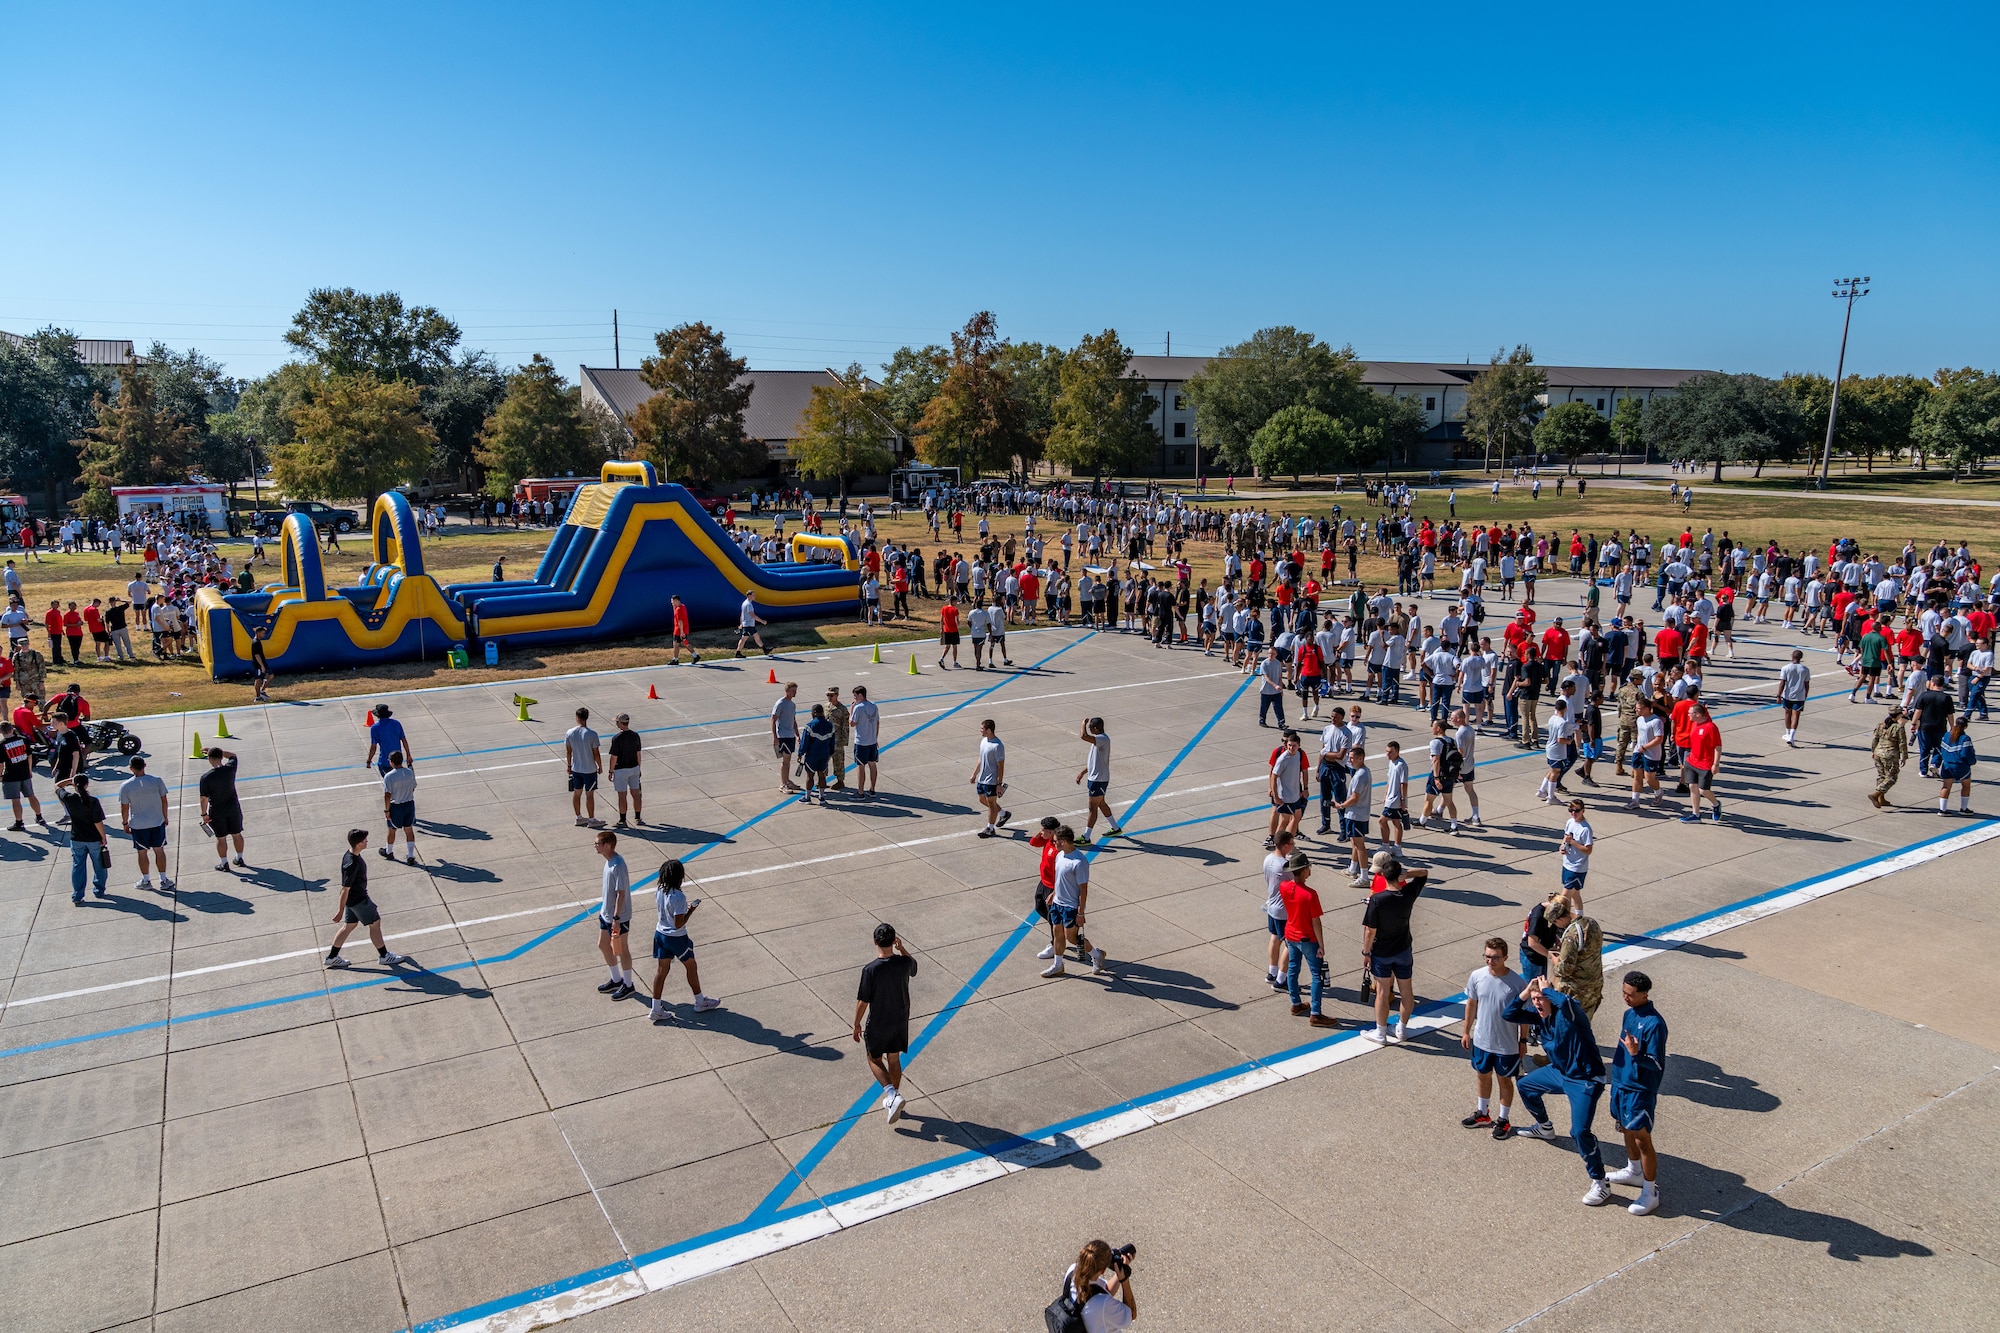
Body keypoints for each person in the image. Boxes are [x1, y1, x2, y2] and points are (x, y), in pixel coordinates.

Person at [1504, 974, 1613, 1206]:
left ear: (1552, 998)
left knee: (1579, 1131)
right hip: (1560, 1072)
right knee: (1525, 1085)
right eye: (1534, 1000)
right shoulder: (1539, 1018)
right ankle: (1544, 1127)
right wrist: (1527, 992)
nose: (1537, 1003)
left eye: (1541, 999)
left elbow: (1568, 1002)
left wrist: (1547, 990)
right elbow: (1509, 1014)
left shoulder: (1570, 1015)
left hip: (1586, 1079)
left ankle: (1600, 1182)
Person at [1605, 970, 1669, 1216]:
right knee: (1625, 1129)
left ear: (1644, 994)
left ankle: (1650, 1192)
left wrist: (1635, 1054)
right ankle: (1634, 1171)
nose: (1625, 998)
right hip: (1621, 1084)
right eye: (1623, 992)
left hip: (1639, 1090)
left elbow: (1657, 1064)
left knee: (1642, 1138)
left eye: (1630, 994)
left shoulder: (1655, 1024)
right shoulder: (1628, 1014)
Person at [1462, 938, 1527, 1138]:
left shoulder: (1517, 983)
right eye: (1487, 956)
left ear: (1505, 957)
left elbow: (1525, 1015)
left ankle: (1504, 1119)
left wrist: (1523, 1041)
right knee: (1482, 1075)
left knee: (1504, 1080)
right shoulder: (1476, 976)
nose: (1490, 961)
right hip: (1482, 1040)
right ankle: (1483, 1113)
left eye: (1495, 957)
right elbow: (1471, 1004)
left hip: (1506, 1044)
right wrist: (1466, 1031)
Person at [854, 921, 918, 1123]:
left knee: (873, 1058)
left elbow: (863, 1001)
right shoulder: (903, 963)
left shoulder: (871, 970)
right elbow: (914, 967)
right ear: (894, 941)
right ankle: (894, 1100)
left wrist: (856, 1024)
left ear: (875, 942)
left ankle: (892, 1095)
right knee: (893, 1059)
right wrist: (902, 949)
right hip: (900, 1020)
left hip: (879, 1023)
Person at [1361, 855, 1429, 1043]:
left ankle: (1381, 1032)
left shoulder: (1378, 900)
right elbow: (1424, 873)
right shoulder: (1408, 894)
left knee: (1382, 992)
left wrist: (1366, 953)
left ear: (1383, 875)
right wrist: (1405, 873)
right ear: (1398, 876)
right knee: (1406, 991)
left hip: (1382, 952)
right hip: (1403, 949)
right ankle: (1401, 1028)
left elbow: (1370, 931)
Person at [325, 828, 411, 968]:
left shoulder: (349, 854)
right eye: (365, 840)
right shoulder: (352, 864)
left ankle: (332, 957)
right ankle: (384, 956)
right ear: (359, 843)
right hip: (359, 899)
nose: (367, 842)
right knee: (375, 923)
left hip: (353, 900)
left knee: (350, 926)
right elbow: (344, 889)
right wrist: (340, 910)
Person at [648, 857, 720, 1022]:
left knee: (661, 971)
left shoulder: (659, 889)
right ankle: (700, 1001)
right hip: (676, 938)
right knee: (691, 966)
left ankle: (656, 1008)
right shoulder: (678, 897)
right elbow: (678, 922)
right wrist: (691, 910)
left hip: (660, 934)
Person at [1279, 849, 1338, 1028]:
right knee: (1316, 976)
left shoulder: (1284, 887)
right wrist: (1321, 945)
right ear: (1304, 870)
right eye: (1308, 867)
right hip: (1307, 939)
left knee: (1293, 969)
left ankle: (1296, 1003)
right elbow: (1316, 922)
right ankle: (1316, 1013)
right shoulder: (1310, 894)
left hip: (1290, 935)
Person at [1042, 825, 1103, 977]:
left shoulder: (1079, 862)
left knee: (1073, 938)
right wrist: (1054, 894)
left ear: (1063, 841)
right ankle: (1058, 965)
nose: (1053, 843)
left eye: (1055, 841)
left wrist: (1080, 913)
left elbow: (1083, 890)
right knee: (1058, 934)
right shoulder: (1060, 855)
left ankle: (1096, 954)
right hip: (1057, 903)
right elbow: (1060, 878)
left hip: (1071, 907)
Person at [1053, 1240, 1137, 1333]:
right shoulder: (1102, 1303)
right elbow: (1131, 1315)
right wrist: (1124, 1280)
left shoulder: (1072, 1271)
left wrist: (1119, 1274)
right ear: (1103, 1271)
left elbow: (1106, 1290)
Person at [118, 756, 173, 892]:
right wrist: (165, 817)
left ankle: (146, 880)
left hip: (138, 825)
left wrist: (125, 823)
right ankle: (163, 879)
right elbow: (164, 800)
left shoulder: (126, 786)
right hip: (157, 821)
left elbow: (124, 807)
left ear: (131, 768)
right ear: (145, 765)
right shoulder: (157, 781)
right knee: (159, 850)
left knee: (142, 853)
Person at [56, 772, 111, 903]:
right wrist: (103, 837)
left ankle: (78, 894)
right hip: (93, 839)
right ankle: (99, 890)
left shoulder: (69, 798)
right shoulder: (93, 801)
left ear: (74, 785)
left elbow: (57, 786)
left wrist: (70, 780)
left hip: (77, 838)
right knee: (99, 865)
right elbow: (98, 822)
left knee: (78, 866)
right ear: (87, 784)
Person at [594, 830, 635, 999]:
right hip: (606, 914)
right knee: (603, 945)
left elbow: (621, 894)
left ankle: (628, 984)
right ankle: (616, 979)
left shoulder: (618, 865)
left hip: (618, 917)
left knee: (622, 950)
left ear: (608, 845)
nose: (595, 846)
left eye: (598, 843)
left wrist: (617, 918)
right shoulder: (608, 861)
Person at [1552, 898, 1606, 1018]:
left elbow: (1564, 970)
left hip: (1577, 993)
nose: (1557, 926)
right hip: (1594, 987)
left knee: (1571, 1029)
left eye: (1555, 923)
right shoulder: (1591, 923)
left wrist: (1555, 961)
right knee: (1586, 1026)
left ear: (1560, 919)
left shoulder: (1571, 936)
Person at [199, 746, 247, 870]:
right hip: (233, 808)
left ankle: (224, 863)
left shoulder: (206, 778)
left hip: (217, 811)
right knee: (237, 834)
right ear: (221, 757)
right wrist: (217, 751)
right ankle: (239, 857)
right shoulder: (230, 769)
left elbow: (204, 798)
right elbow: (233, 755)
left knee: (221, 838)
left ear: (209, 759)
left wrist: (204, 814)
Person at [1261, 828, 1295, 992]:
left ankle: (1272, 972)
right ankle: (1281, 979)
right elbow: (1294, 883)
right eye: (1291, 843)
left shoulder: (1268, 859)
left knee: (1275, 938)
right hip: (1284, 910)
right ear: (1285, 845)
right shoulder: (1285, 865)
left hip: (1271, 905)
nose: (1293, 846)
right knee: (1291, 944)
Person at [1076, 716, 1120, 843]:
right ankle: (1115, 828)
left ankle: (1086, 837)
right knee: (1101, 803)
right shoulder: (1098, 741)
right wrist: (1083, 772)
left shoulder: (1102, 739)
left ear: (1095, 728)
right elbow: (1094, 762)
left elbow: (1083, 736)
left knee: (1092, 808)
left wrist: (1082, 723)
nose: (1089, 730)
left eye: (1090, 728)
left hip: (1098, 780)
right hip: (1095, 778)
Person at [1679, 701, 1723, 824]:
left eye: (1690, 713)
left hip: (1705, 764)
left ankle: (1716, 804)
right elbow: (1704, 712)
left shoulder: (1711, 727)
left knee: (1704, 790)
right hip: (1692, 761)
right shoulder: (1695, 723)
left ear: (1698, 714)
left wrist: (1716, 764)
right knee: (1692, 787)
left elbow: (1717, 746)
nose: (1688, 715)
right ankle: (1696, 814)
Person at [1335, 744, 1372, 885]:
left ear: (1360, 758)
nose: (1349, 761)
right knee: (1354, 843)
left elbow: (1355, 798)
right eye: (1349, 758)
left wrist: (1342, 805)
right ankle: (1353, 868)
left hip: (1356, 815)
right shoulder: (1364, 771)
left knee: (1359, 845)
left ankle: (1364, 877)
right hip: (1358, 814)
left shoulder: (1360, 775)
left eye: (1352, 758)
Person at [2, 721, 49, 831]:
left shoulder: (2, 745)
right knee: (31, 795)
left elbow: (1, 764)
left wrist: (0, 775)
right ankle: (39, 816)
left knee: (16, 800)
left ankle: (19, 822)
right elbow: (29, 756)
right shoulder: (23, 739)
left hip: (11, 775)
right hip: (25, 773)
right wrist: (29, 770)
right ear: (12, 729)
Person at [971, 717, 1010, 836]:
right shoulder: (984, 741)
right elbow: (980, 758)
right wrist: (974, 774)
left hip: (991, 780)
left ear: (989, 730)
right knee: (982, 800)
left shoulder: (998, 746)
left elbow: (1000, 766)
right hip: (982, 778)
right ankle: (1003, 813)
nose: (980, 730)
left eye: (982, 728)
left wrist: (999, 784)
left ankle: (990, 828)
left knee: (991, 804)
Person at [567, 706, 605, 827]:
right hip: (589, 770)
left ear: (577, 718)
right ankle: (592, 819)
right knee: (590, 794)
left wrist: (569, 765)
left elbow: (568, 752)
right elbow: (596, 753)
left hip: (576, 768)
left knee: (577, 793)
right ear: (587, 718)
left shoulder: (570, 733)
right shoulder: (592, 734)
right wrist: (600, 766)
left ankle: (578, 817)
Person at [379, 750, 419, 863]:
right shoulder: (410, 772)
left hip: (396, 806)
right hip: (409, 804)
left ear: (391, 762)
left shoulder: (389, 777)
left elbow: (387, 795)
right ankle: (411, 856)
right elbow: (413, 787)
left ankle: (389, 851)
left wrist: (387, 810)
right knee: (409, 830)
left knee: (391, 830)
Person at [1869, 706, 1909, 808]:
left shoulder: (1881, 724)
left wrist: (1873, 751)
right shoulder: (1898, 727)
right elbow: (1902, 743)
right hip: (1889, 754)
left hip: (1878, 752)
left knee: (1881, 775)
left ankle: (1881, 799)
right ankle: (1876, 794)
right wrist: (1904, 757)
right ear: (1899, 715)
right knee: (1892, 777)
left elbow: (1875, 738)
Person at [1936, 715, 1978, 814]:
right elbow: (1966, 754)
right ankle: (1963, 809)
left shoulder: (1946, 735)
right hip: (1961, 766)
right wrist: (1972, 762)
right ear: (1966, 726)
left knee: (1946, 786)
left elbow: (1942, 749)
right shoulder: (1965, 738)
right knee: (1966, 785)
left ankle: (1942, 810)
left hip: (1947, 765)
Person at [608, 713, 643, 826]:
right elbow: (638, 754)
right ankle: (638, 817)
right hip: (634, 768)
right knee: (636, 794)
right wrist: (639, 768)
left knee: (622, 796)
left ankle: (622, 820)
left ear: (620, 723)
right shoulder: (635, 736)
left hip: (621, 770)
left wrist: (611, 771)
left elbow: (614, 757)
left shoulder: (617, 738)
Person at [799, 703, 835, 803]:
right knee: (822, 775)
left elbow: (804, 742)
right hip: (824, 754)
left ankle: (807, 797)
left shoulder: (809, 726)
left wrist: (800, 753)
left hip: (812, 755)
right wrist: (831, 752)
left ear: (814, 713)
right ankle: (822, 797)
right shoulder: (830, 725)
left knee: (810, 776)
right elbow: (833, 742)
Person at [848, 685, 880, 796]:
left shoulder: (858, 707)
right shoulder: (874, 706)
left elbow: (852, 723)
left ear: (860, 695)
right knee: (872, 765)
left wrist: (851, 709)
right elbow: (877, 722)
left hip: (861, 742)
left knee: (860, 767)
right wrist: (875, 738)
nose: (854, 699)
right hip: (872, 741)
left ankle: (860, 792)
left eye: (855, 696)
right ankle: (872, 789)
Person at [770, 681, 801, 793]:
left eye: (795, 691)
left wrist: (797, 734)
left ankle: (787, 781)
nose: (795, 693)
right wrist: (775, 737)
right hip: (782, 735)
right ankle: (783, 784)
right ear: (787, 691)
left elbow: (793, 720)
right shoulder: (780, 703)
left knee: (788, 759)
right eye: (793, 691)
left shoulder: (792, 705)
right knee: (785, 760)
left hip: (790, 735)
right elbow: (773, 719)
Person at [364, 703, 412, 774]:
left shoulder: (375, 728)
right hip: (398, 760)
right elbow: (404, 740)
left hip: (385, 761)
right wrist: (408, 755)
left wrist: (369, 760)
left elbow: (373, 747)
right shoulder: (396, 723)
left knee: (389, 782)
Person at [1559, 799, 1593, 898]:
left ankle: (1565, 914)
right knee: (1575, 895)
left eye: (1577, 810)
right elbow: (1566, 837)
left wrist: (1573, 842)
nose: (1573, 813)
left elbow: (1588, 850)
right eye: (1571, 810)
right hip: (1567, 863)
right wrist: (1562, 846)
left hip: (1577, 867)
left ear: (1583, 811)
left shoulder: (1585, 829)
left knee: (1564, 897)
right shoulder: (1570, 822)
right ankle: (1579, 913)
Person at [1777, 648, 1812, 745]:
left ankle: (1787, 733)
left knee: (1787, 714)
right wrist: (1805, 695)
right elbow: (1807, 684)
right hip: (1799, 696)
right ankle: (1792, 736)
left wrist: (1778, 696)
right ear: (1801, 658)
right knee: (1796, 716)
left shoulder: (1785, 668)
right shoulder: (1805, 669)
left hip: (1787, 695)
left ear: (1792, 657)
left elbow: (1782, 683)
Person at [824, 687, 851, 790]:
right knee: (824, 760)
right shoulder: (826, 706)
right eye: (828, 695)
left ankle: (840, 781)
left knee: (838, 761)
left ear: (837, 695)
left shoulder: (842, 709)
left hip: (837, 740)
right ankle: (822, 779)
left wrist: (844, 741)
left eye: (831, 695)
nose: (829, 697)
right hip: (826, 739)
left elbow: (845, 726)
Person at [668, 593, 700, 665]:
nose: (671, 603)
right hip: (684, 629)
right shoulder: (683, 606)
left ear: (676, 600)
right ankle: (695, 655)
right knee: (685, 643)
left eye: (672, 601)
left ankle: (675, 659)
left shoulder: (678, 610)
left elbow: (680, 621)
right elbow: (675, 615)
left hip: (679, 631)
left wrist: (681, 632)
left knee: (676, 645)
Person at [937, 595, 962, 669]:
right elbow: (957, 621)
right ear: (953, 601)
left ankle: (942, 658)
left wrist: (941, 628)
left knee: (947, 646)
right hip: (954, 630)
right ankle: (954, 662)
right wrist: (958, 624)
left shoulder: (944, 608)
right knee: (955, 647)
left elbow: (941, 619)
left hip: (946, 630)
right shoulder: (955, 610)